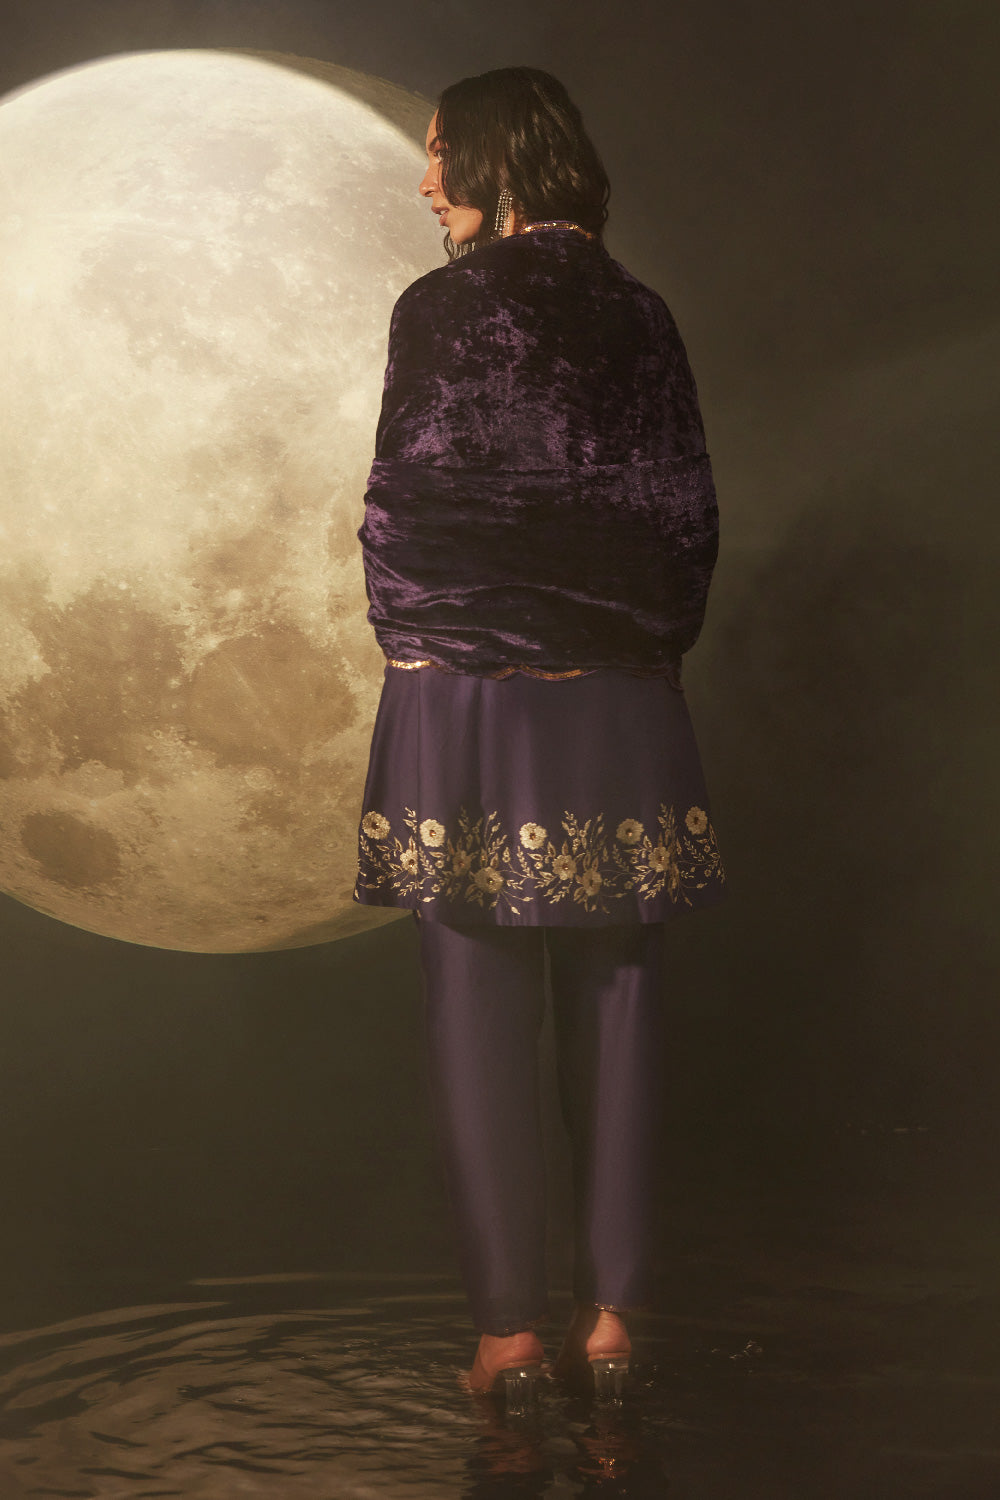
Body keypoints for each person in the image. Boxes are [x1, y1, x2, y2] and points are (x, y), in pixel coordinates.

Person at [353, 66, 725, 1403]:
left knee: (475, 1000)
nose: (425, 182)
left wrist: (418, 629)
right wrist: (638, 646)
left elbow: (403, 501)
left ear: (499, 162)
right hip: (622, 693)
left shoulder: (438, 310)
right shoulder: (645, 313)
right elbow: (688, 515)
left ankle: (507, 1339)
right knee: (620, 999)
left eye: (440, 154)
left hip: (463, 689)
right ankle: (611, 1323)